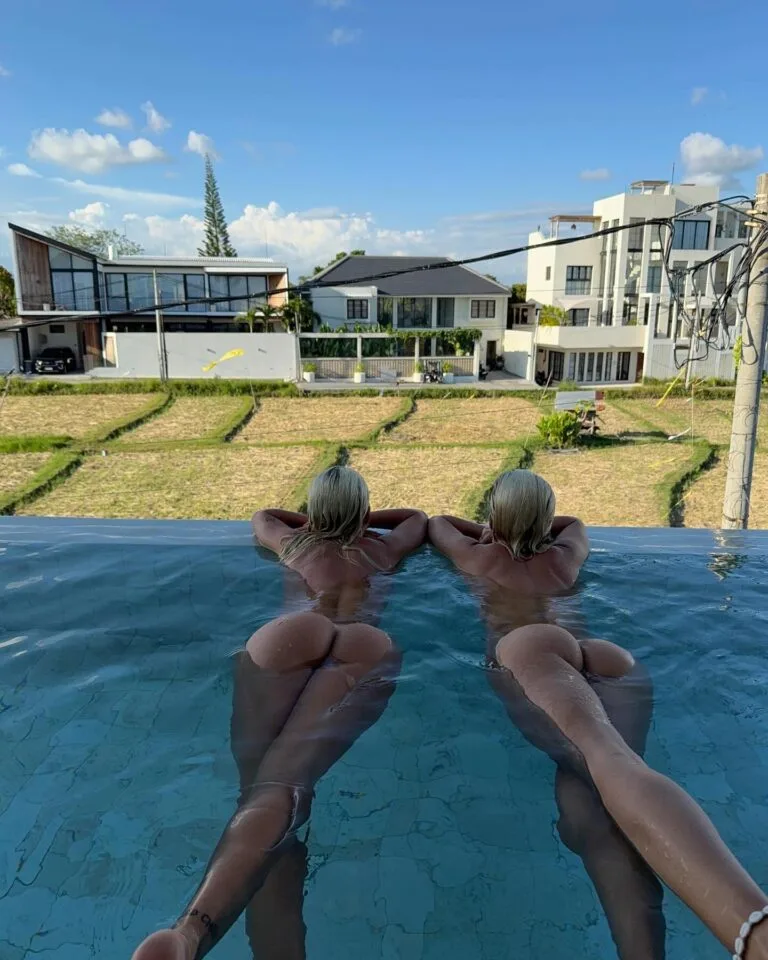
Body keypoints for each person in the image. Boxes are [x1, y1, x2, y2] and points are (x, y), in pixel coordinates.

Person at [430, 469, 768, 959]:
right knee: (599, 800)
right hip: (608, 658)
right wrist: (533, 525)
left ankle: (754, 934)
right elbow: (573, 523)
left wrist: (495, 530)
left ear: (495, 518)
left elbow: (438, 523)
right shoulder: (563, 556)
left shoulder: (480, 556)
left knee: (612, 767)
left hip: (533, 649)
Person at [132, 468, 427, 960]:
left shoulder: (297, 544)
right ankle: (235, 933)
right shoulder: (380, 550)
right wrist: (361, 522)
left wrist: (315, 522)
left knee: (257, 790)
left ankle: (193, 929)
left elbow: (262, 516)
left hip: (289, 635)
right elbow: (417, 519)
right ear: (362, 513)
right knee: (286, 787)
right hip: (363, 644)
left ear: (312, 513)